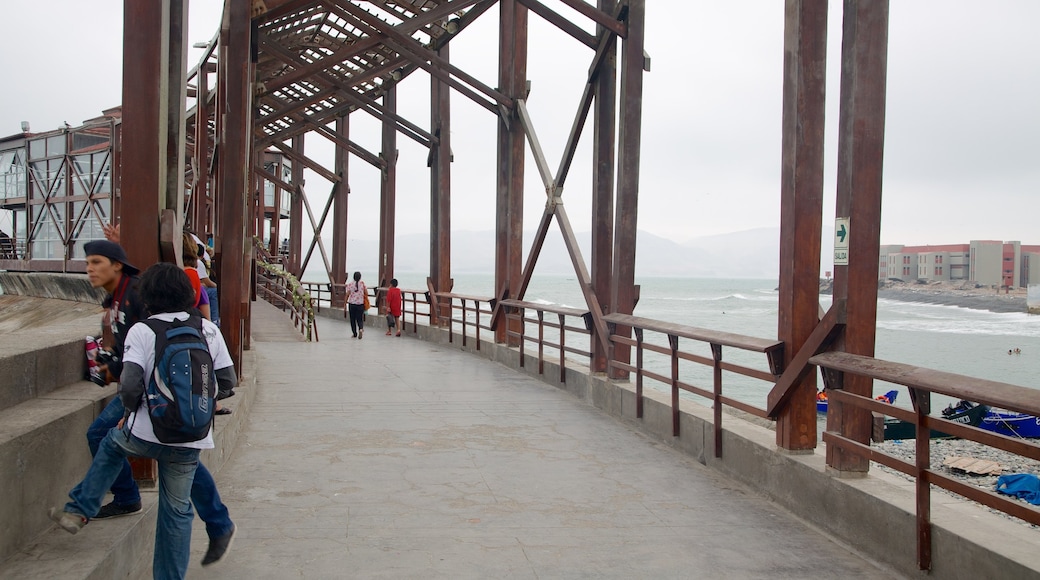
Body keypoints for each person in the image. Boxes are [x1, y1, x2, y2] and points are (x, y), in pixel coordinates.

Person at [50, 263, 238, 579]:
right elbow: (228, 381)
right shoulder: (208, 329)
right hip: (191, 437)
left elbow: (130, 386)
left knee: (110, 444)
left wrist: (128, 414)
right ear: (189, 295)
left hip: (145, 433)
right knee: (176, 513)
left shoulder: (143, 330)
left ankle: (80, 509)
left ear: (148, 297)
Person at [346, 271, 367, 339]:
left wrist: (344, 303)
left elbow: (347, 294)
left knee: (352, 319)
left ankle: (354, 333)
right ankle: (360, 329)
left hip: (352, 304)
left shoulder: (350, 284)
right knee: (359, 319)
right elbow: (366, 293)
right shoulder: (362, 284)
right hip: (360, 304)